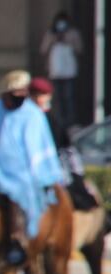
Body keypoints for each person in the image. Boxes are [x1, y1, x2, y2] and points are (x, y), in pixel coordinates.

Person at [0, 70, 65, 266]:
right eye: (15, 93)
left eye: (23, 93)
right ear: (5, 94)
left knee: (19, 188)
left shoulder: (33, 114)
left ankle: (17, 238)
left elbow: (39, 146)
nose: (19, 98)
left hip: (21, 170)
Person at [31, 76, 98, 212]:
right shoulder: (25, 118)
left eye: (43, 95)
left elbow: (66, 149)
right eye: (35, 95)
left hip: (54, 167)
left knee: (77, 196)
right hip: (31, 167)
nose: (39, 99)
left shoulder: (53, 120)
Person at [39, 10, 82, 131]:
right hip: (55, 71)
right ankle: (58, 121)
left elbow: (79, 49)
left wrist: (67, 39)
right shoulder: (50, 34)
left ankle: (70, 122)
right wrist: (53, 39)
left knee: (68, 97)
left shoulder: (73, 33)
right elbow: (43, 50)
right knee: (56, 98)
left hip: (69, 71)